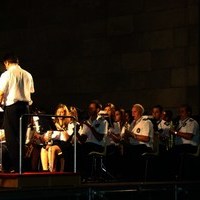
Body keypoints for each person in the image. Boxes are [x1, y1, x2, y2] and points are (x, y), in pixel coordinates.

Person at [0, 53, 34, 173]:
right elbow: (31, 91)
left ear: (6, 63)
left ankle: (17, 166)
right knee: (21, 137)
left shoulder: (7, 74)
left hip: (12, 107)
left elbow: (1, 92)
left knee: (11, 138)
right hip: (25, 107)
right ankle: (20, 165)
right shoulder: (27, 74)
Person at [122, 103, 154, 181]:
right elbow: (130, 139)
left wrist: (133, 135)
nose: (132, 114)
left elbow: (146, 139)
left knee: (133, 151)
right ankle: (127, 177)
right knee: (124, 148)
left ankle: (134, 178)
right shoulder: (133, 123)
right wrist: (125, 136)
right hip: (134, 146)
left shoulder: (146, 122)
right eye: (132, 112)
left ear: (140, 112)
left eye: (135, 112)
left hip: (144, 146)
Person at [40, 103, 71, 172]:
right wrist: (45, 138)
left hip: (64, 144)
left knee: (52, 148)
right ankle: (45, 171)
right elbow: (46, 139)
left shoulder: (69, 123)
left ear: (65, 113)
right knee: (44, 149)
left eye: (62, 112)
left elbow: (66, 138)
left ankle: (52, 171)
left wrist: (60, 128)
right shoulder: (53, 123)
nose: (59, 114)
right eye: (58, 112)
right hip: (54, 143)